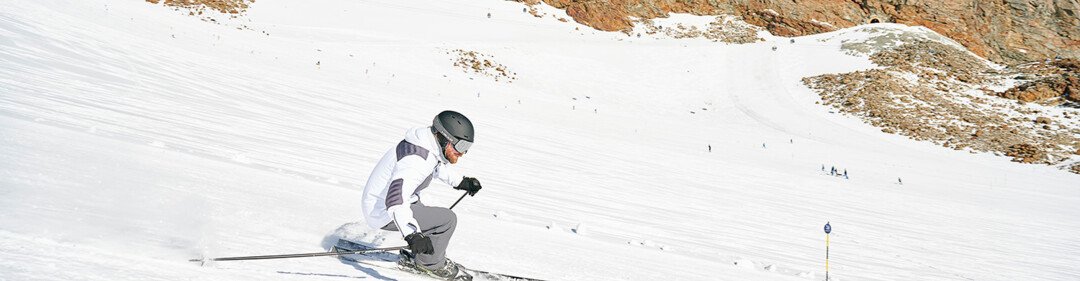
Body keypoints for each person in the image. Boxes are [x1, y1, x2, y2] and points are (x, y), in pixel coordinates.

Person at [360, 110, 483, 279]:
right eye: (460, 146)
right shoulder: (416, 161)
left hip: (391, 202)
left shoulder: (427, 146)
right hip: (383, 211)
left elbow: (436, 166)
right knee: (447, 220)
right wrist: (412, 234)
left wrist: (461, 182)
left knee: (432, 219)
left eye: (467, 148)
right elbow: (396, 199)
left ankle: (428, 256)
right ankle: (430, 265)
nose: (462, 153)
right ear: (444, 138)